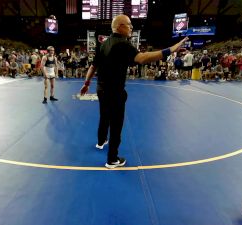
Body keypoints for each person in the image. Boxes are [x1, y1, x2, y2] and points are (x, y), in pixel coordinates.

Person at [80, 14, 188, 169]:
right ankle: (112, 160)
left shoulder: (104, 43)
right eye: (129, 24)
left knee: (104, 116)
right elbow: (143, 58)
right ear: (119, 27)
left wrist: (86, 83)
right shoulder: (123, 44)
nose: (131, 27)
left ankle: (100, 141)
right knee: (116, 126)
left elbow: (93, 66)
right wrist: (170, 50)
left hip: (101, 89)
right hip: (115, 92)